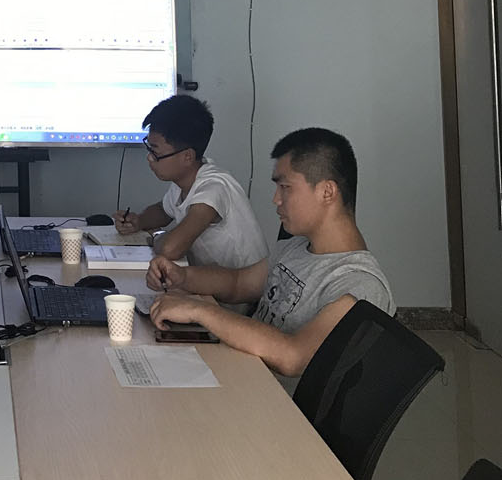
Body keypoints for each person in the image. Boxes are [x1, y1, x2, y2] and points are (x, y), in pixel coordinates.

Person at [148, 128, 393, 378]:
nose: (276, 199)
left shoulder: (359, 284)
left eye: (285, 187)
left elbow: (293, 357)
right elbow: (237, 283)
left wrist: (199, 310)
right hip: (243, 371)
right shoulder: (295, 248)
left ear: (327, 192)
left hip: (272, 398)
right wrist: (181, 276)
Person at [114, 94, 266, 269]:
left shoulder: (213, 188)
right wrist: (138, 221)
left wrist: (156, 237)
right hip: (216, 278)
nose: (149, 158)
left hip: (246, 284)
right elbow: (163, 211)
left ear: (187, 156)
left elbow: (171, 249)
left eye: (156, 152)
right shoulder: (185, 180)